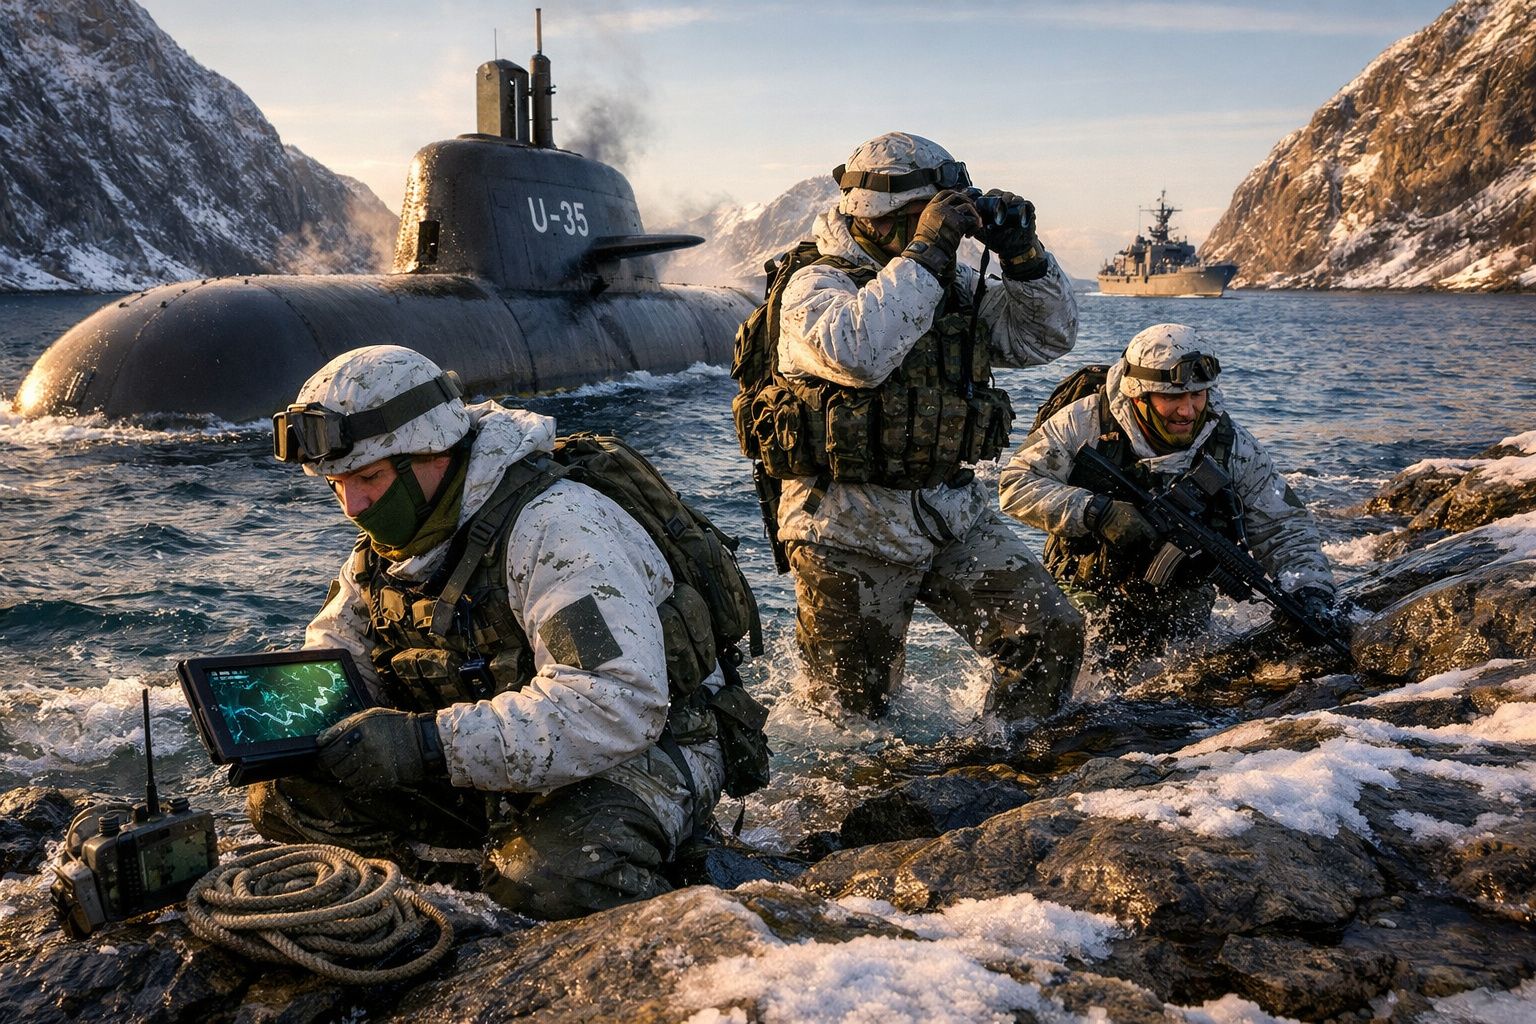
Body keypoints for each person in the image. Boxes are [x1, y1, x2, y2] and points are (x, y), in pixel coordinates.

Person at [250, 344, 733, 920]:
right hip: (494, 756)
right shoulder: (390, 550)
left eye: (368, 477)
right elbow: (339, 659)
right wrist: (281, 726)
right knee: (287, 799)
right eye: (335, 484)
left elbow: (615, 704)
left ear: (432, 452)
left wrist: (427, 745)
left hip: (646, 752)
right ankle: (471, 886)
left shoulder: (557, 528)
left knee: (550, 879)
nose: (353, 505)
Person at [747, 130, 1084, 725]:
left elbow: (1044, 337)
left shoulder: (944, 283)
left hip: (945, 511)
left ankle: (1008, 767)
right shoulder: (815, 284)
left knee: (1048, 634)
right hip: (847, 529)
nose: (944, 228)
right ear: (878, 216)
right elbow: (858, 351)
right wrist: (926, 251)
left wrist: (1025, 257)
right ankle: (866, 812)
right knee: (850, 718)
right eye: (923, 214)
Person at [999, 323, 1346, 671]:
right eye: (1173, 398)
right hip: (1086, 589)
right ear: (1138, 395)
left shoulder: (1231, 446)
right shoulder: (1085, 423)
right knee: (1072, 664)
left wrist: (1311, 591)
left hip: (1182, 607)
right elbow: (1015, 484)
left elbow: (1284, 527)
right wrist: (1095, 511)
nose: (1188, 411)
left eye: (1197, 395)